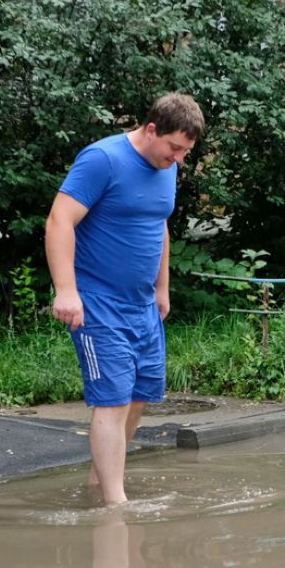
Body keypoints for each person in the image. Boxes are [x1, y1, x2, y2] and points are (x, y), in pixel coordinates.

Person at [46, 93, 203, 504]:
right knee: (113, 400)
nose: (179, 159)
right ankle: (117, 505)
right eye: (175, 148)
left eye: (186, 152)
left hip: (142, 305)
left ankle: (100, 484)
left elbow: (159, 225)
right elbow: (60, 218)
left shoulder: (165, 167)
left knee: (139, 397)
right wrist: (67, 290)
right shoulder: (103, 159)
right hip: (98, 302)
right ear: (151, 129)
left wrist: (161, 288)